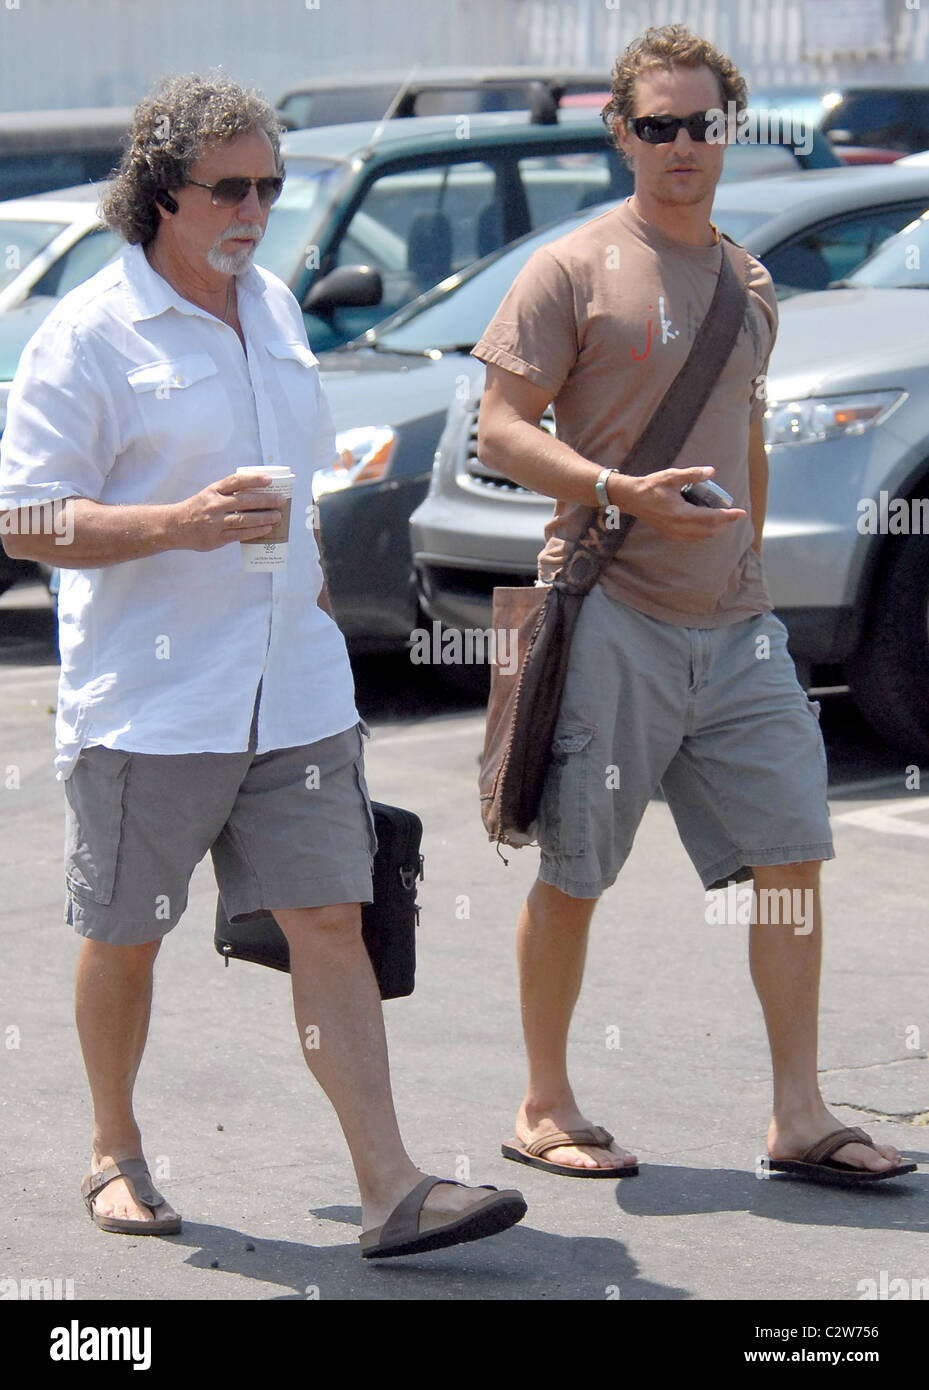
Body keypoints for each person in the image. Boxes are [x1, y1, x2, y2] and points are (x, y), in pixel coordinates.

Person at [0, 73, 526, 1258]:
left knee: (330, 917)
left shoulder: (277, 306)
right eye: (228, 187)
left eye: (270, 187)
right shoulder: (89, 334)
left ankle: (391, 1186)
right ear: (159, 194)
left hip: (292, 684)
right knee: (126, 931)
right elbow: (25, 519)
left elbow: (300, 486)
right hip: (152, 697)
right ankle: (114, 1148)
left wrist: (319, 597)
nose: (253, 208)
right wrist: (176, 523)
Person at [473, 26, 915, 1187]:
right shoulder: (569, 268)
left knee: (790, 855)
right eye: (656, 125)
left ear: (728, 131)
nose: (679, 144)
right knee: (574, 868)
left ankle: (795, 1115)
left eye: (700, 123)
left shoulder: (746, 282)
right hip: (608, 607)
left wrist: (750, 574)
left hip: (734, 624)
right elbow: (500, 429)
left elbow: (749, 443)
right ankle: (542, 1100)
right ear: (620, 134)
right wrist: (614, 490)